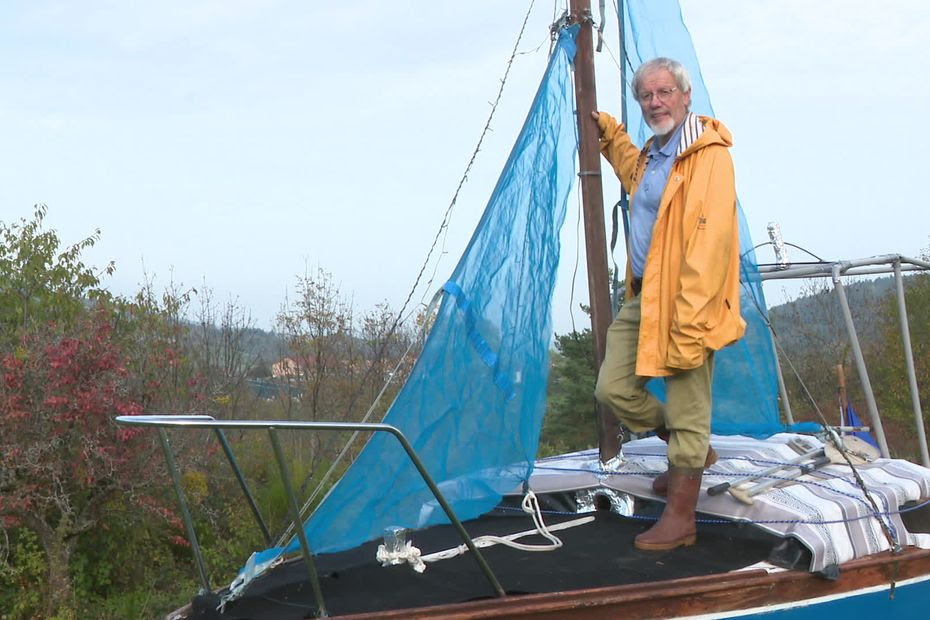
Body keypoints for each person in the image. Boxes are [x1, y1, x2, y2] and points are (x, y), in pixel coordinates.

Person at [591, 57, 745, 551]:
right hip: (645, 295)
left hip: (687, 300)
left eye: (663, 93)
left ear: (685, 95)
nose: (655, 103)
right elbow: (633, 171)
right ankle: (688, 452)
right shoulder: (656, 155)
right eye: (646, 96)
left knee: (688, 406)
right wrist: (609, 131)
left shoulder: (708, 154)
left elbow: (712, 237)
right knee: (612, 389)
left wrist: (692, 314)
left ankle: (681, 518)